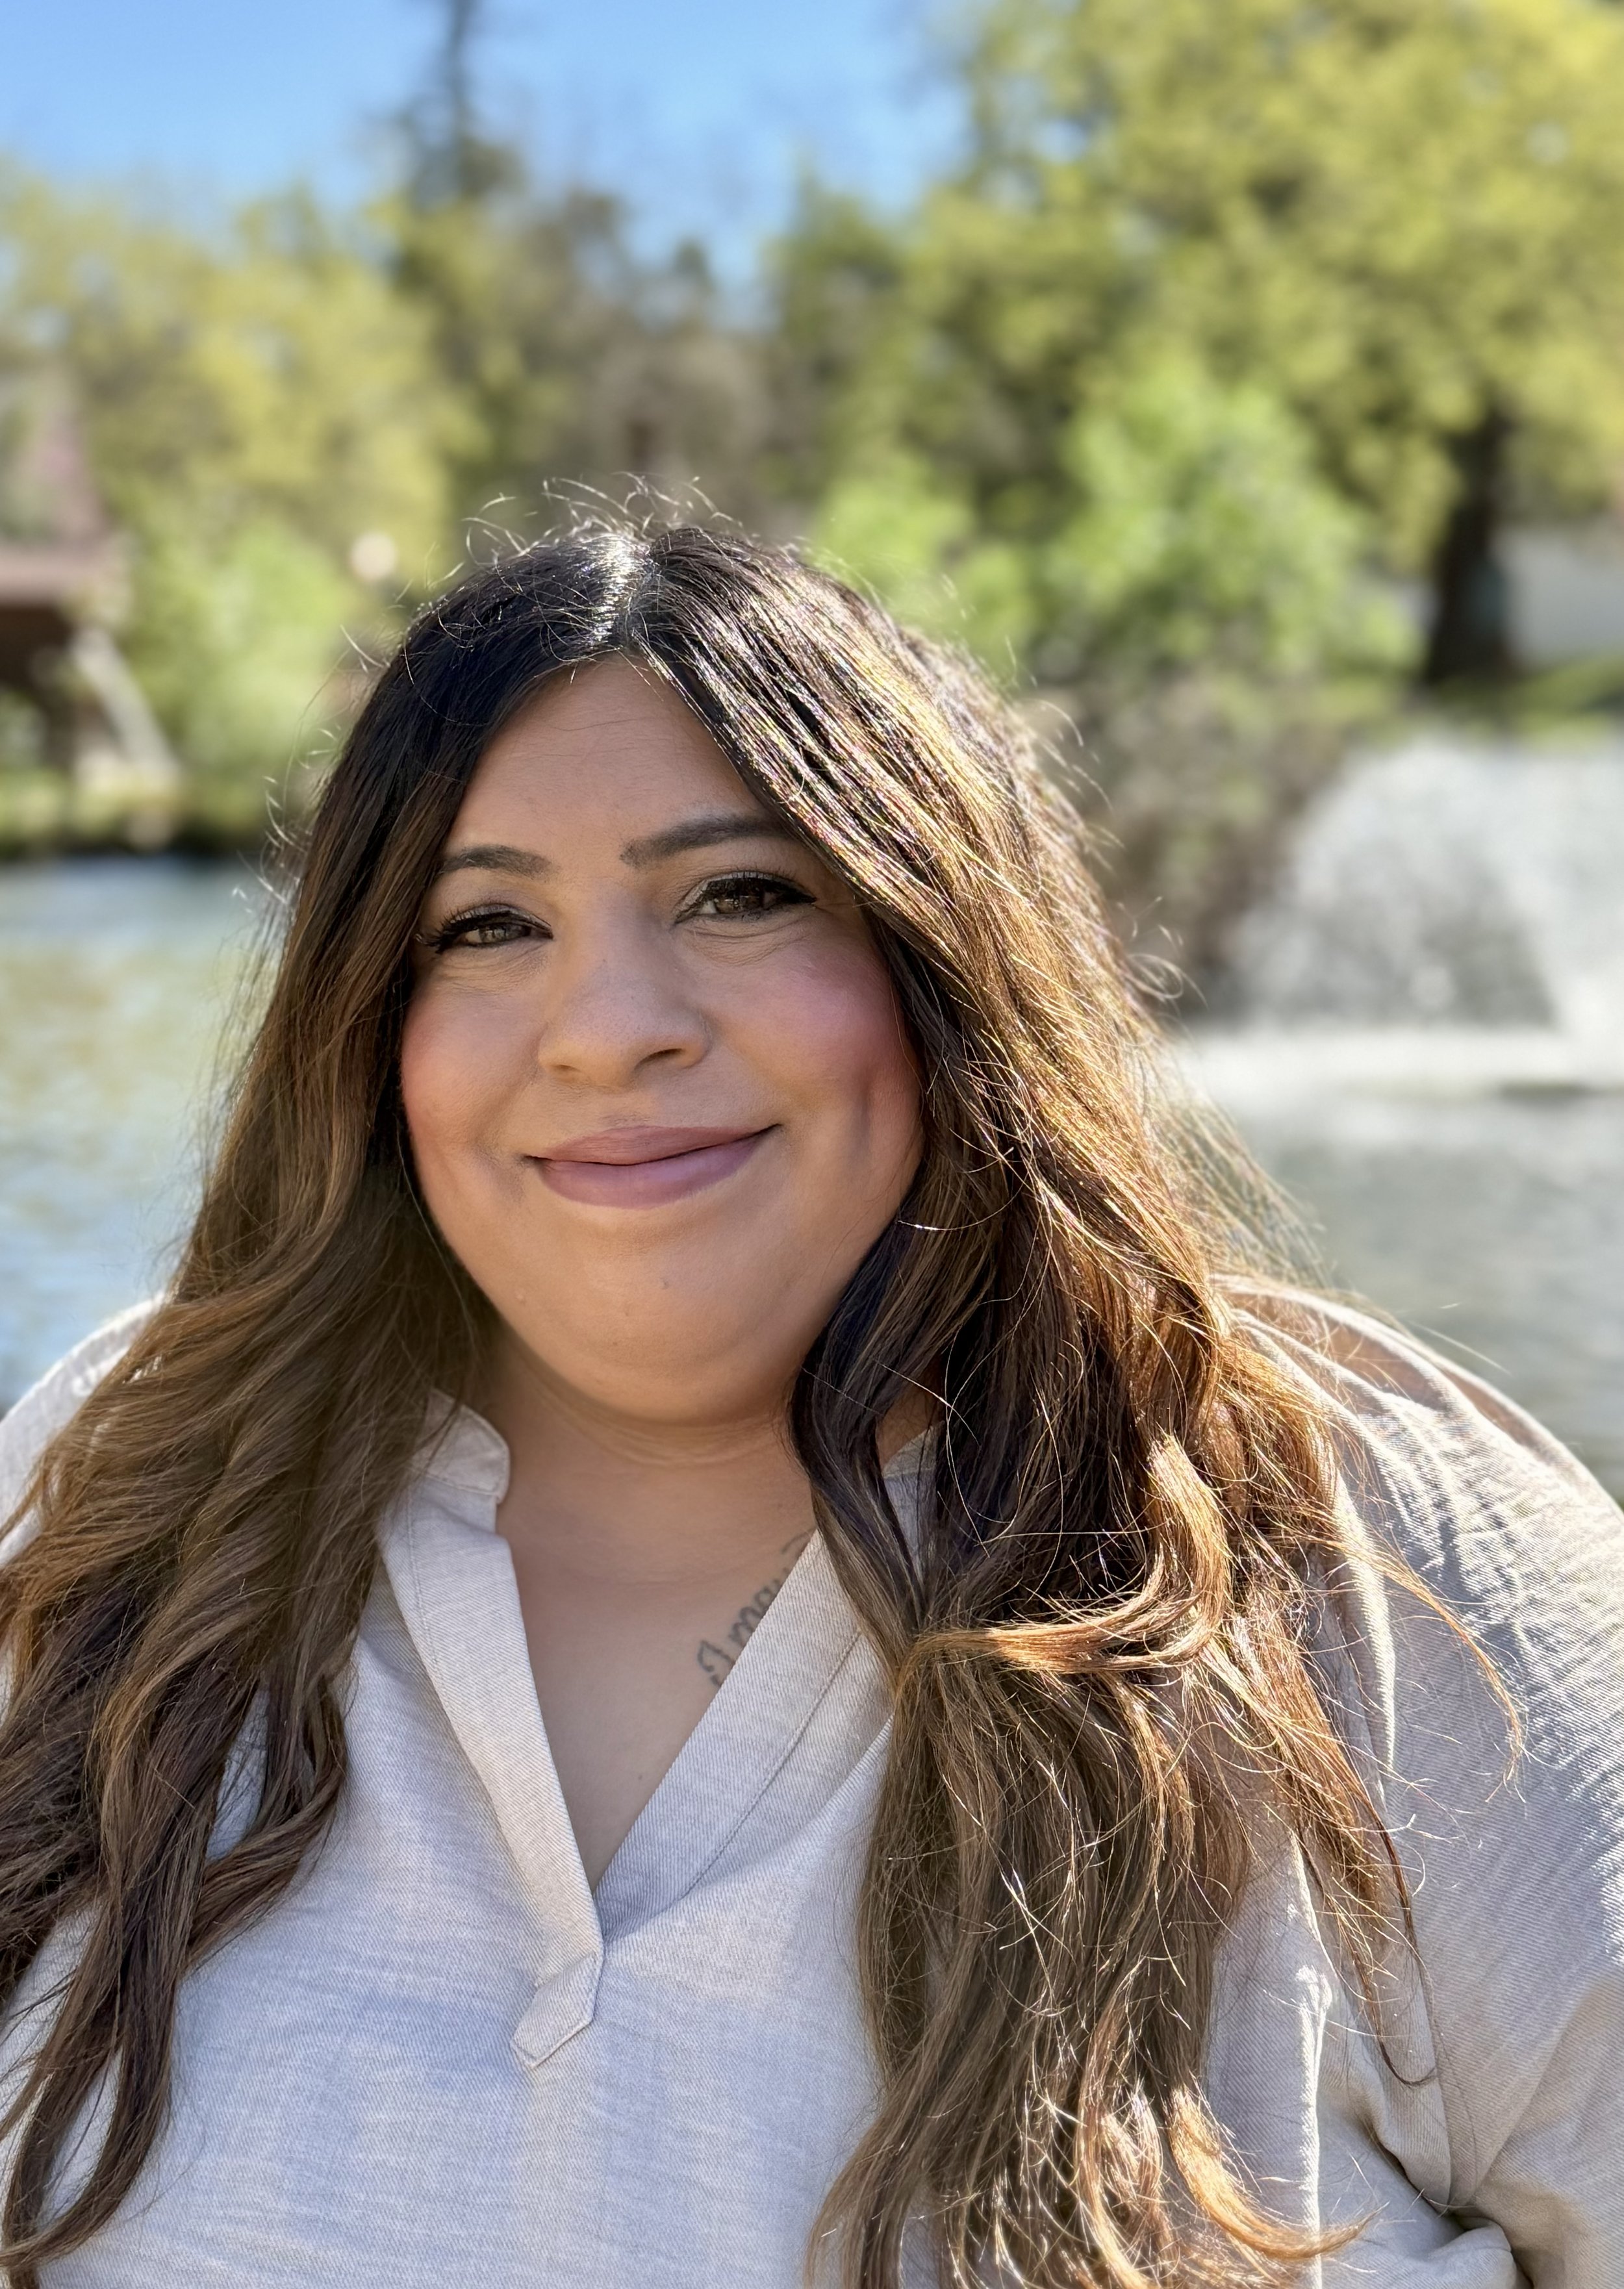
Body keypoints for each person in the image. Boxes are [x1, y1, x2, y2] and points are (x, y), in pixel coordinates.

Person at [0, 522, 1619, 2289]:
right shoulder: (129, 1495)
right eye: (487, 924)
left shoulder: (1385, 1562)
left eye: (741, 891)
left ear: (942, 955)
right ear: (368, 1029)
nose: (606, 1025)